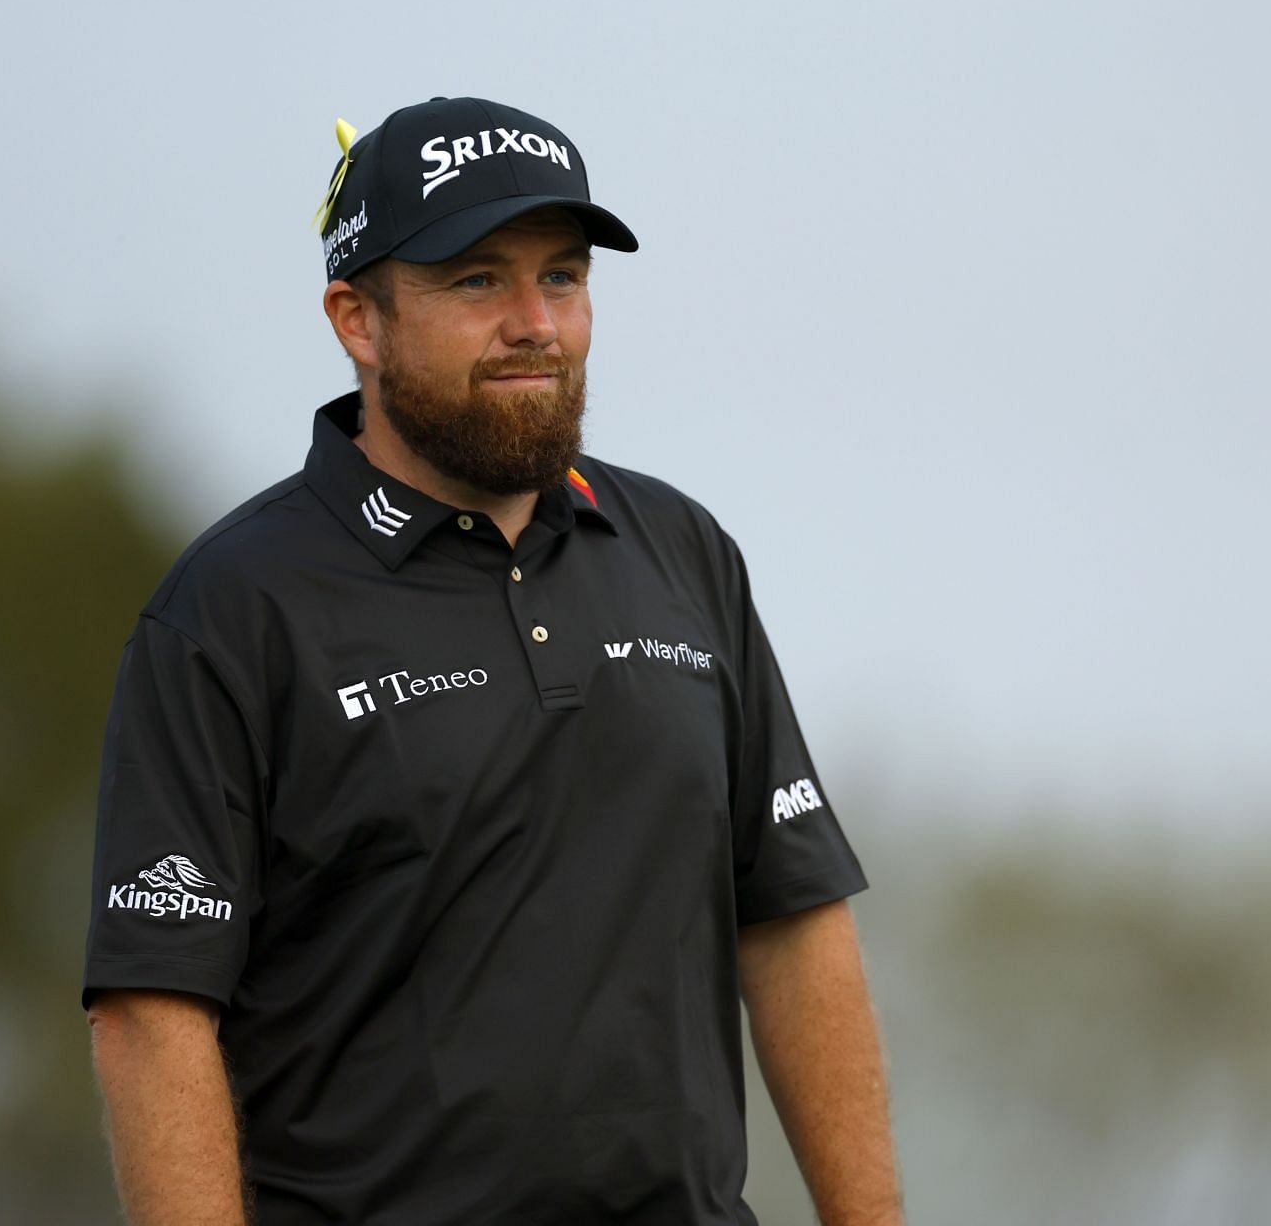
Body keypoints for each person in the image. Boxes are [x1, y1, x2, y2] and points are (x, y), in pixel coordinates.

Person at [82, 96, 902, 1225]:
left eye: (562, 277)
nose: (536, 323)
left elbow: (794, 918)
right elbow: (151, 1011)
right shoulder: (231, 609)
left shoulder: (683, 553)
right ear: (357, 318)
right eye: (478, 281)